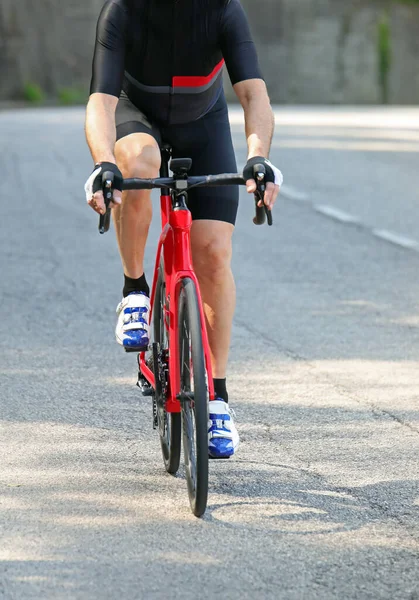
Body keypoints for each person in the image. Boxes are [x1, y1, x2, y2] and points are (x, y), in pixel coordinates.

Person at [84, 0, 283, 459]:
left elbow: (254, 95)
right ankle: (135, 289)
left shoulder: (224, 10)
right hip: (136, 115)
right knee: (138, 161)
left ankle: (217, 397)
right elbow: (101, 102)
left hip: (203, 122)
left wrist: (258, 157)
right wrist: (104, 163)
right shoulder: (124, 11)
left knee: (213, 253)